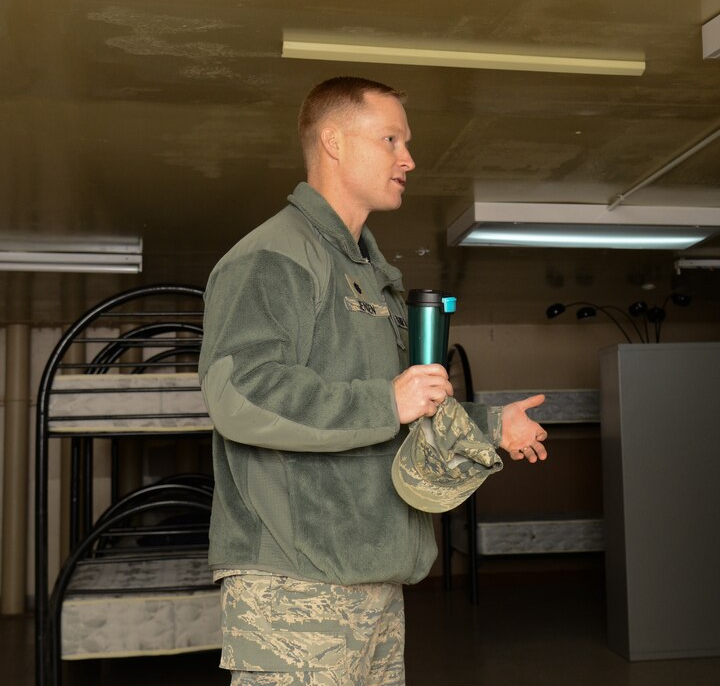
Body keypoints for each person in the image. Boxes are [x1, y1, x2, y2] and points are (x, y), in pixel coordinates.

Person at [198, 76, 549, 685]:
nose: (408, 158)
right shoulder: (272, 257)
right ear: (333, 142)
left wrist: (491, 424)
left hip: (371, 573)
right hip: (295, 585)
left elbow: (405, 404)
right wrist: (387, 400)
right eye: (391, 139)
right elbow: (242, 393)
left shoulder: (368, 273)